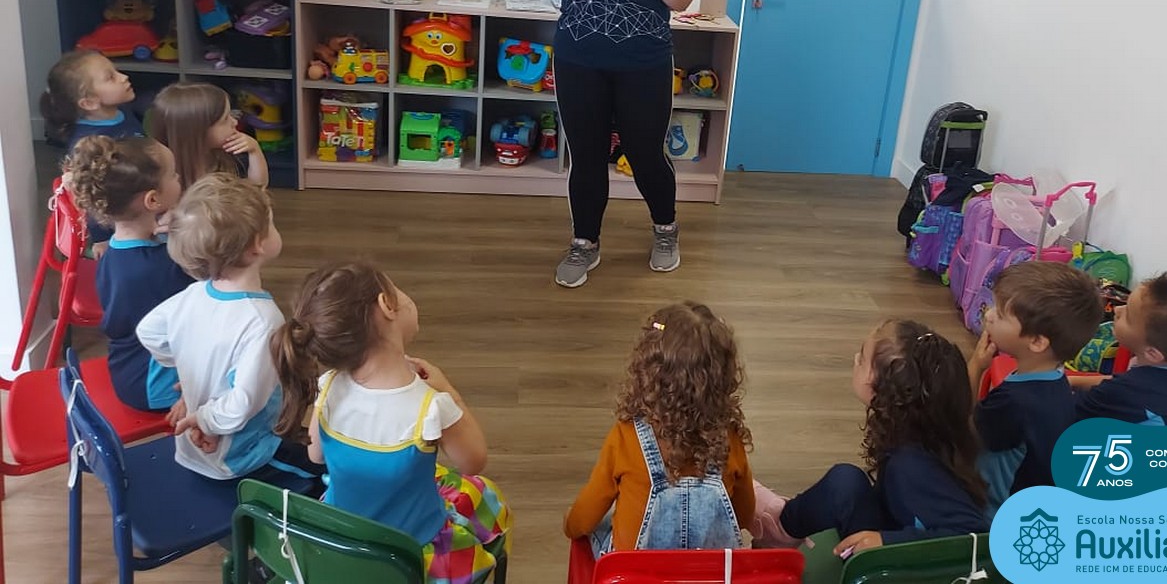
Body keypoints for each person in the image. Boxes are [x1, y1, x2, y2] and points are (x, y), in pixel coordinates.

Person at [271, 264, 510, 584]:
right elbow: (474, 461)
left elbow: (316, 456)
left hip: (342, 543)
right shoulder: (430, 407)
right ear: (387, 304)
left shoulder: (328, 387)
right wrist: (449, 392)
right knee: (483, 493)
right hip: (410, 555)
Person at [545, 0, 699, 288]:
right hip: (579, 60)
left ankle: (666, 229)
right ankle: (585, 243)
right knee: (587, 157)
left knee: (645, 154)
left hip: (643, 64)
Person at [135, 174, 322, 491]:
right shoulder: (263, 321)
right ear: (257, 245)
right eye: (271, 223)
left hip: (191, 446)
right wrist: (205, 420)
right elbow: (243, 404)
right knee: (324, 472)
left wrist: (187, 372)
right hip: (238, 455)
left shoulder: (193, 294)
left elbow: (148, 332)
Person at [752, 320, 988, 557]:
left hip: (899, 566)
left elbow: (972, 537)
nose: (856, 359)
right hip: (901, 532)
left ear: (883, 389)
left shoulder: (910, 465)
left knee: (843, 483)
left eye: (862, 358)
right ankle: (780, 527)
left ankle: (778, 529)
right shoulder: (924, 432)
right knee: (845, 482)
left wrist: (886, 541)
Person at [564, 302, 755, 556]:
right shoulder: (730, 440)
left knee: (601, 525)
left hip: (634, 573)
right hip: (709, 571)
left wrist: (570, 524)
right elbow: (744, 516)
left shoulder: (626, 437)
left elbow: (586, 515)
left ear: (648, 374)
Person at [63, 135, 192, 412]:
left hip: (127, 369)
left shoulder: (114, 251)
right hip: (152, 384)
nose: (179, 178)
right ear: (153, 199)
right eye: (173, 174)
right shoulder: (157, 267)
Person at [967, 261, 1104, 513]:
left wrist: (976, 365)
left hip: (989, 513)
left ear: (1038, 342)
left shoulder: (1012, 402)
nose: (988, 315)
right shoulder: (1056, 381)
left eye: (1001, 314)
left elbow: (961, 434)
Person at [1072, 272, 1167, 425]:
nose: (1117, 310)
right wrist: (1073, 380)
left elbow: (1065, 411)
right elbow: (1117, 382)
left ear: (1152, 353)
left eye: (1128, 316)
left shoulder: (1124, 393)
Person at [41, 49, 145, 248]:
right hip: (120, 227)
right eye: (110, 77)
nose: (123, 77)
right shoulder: (87, 143)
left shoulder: (122, 111)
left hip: (140, 197)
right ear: (89, 102)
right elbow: (90, 195)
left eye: (116, 71)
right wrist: (101, 238)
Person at [150, 82, 267, 190]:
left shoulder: (220, 157)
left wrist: (254, 150)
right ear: (198, 131)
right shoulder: (164, 179)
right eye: (225, 119)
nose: (235, 122)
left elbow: (256, 191)